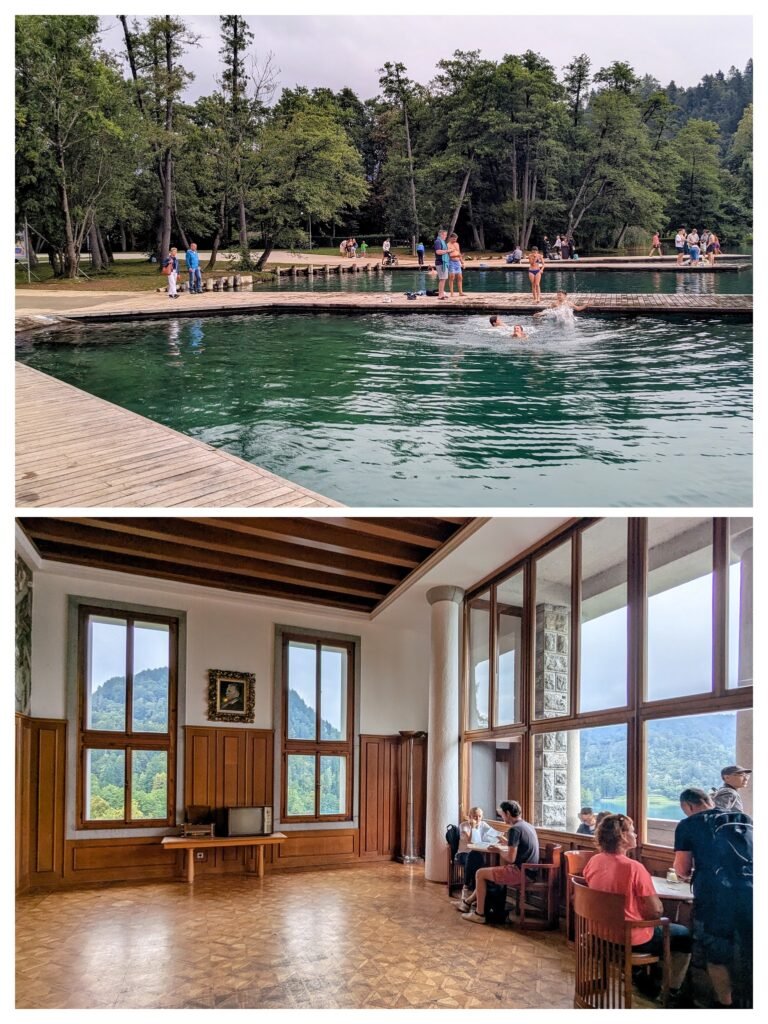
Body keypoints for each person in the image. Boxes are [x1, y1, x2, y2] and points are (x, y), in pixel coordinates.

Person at [586, 814, 692, 1005]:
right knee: (683, 935)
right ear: (623, 836)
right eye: (633, 831)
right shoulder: (634, 868)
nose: (636, 834)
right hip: (628, 938)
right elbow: (655, 911)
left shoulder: (594, 861)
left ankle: (641, 975)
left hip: (599, 932)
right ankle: (671, 990)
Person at [674, 788, 753, 1008]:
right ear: (708, 800)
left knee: (715, 952)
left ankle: (723, 1004)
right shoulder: (744, 818)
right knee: (749, 949)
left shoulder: (688, 825)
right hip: (752, 893)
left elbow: (682, 868)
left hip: (715, 897)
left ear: (688, 806)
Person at [461, 800, 539, 924]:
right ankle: (468, 902)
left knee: (480, 873)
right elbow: (518, 848)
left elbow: (510, 859)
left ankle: (479, 913)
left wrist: (499, 850)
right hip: (531, 871)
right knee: (485, 873)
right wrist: (506, 843)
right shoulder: (527, 825)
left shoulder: (515, 830)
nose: (501, 816)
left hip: (521, 872)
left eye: (502, 814)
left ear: (507, 813)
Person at [453, 807, 502, 908]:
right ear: (469, 816)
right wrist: (474, 827)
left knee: (479, 861)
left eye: (479, 816)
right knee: (473, 857)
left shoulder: (483, 824)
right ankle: (466, 889)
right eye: (475, 816)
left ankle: (476, 895)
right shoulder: (464, 826)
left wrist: (501, 838)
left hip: (478, 854)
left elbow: (495, 834)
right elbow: (471, 841)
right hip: (463, 853)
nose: (478, 818)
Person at [433, 229, 450, 300]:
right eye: (445, 235)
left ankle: (442, 293)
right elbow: (438, 252)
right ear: (441, 234)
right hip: (440, 262)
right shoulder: (438, 241)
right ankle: (440, 295)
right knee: (442, 279)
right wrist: (447, 251)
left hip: (444, 262)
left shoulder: (442, 241)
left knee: (444, 278)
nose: (446, 236)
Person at [447, 232, 464, 297]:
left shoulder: (457, 244)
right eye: (454, 239)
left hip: (457, 262)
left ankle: (460, 292)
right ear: (450, 238)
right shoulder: (447, 245)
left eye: (456, 239)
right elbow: (449, 255)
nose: (455, 240)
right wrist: (456, 255)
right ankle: (452, 293)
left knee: (460, 277)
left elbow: (459, 253)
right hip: (451, 262)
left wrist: (462, 262)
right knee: (452, 277)